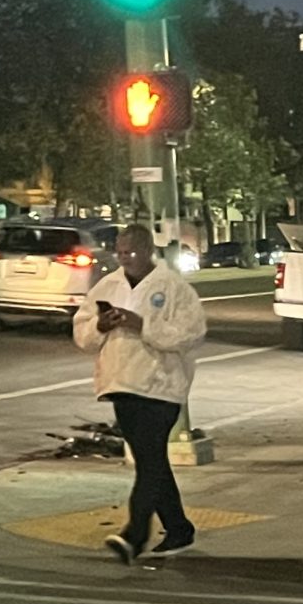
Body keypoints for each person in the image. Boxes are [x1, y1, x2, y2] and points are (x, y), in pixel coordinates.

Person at [72, 220, 209, 562]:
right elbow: (83, 332)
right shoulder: (107, 285)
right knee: (152, 462)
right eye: (119, 252)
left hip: (161, 387)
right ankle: (178, 528)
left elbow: (190, 334)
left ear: (148, 250)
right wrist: (101, 325)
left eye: (130, 252)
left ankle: (134, 535)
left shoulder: (174, 288)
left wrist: (141, 325)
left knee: (149, 463)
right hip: (121, 385)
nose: (124, 259)